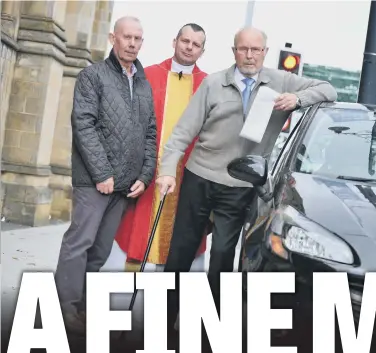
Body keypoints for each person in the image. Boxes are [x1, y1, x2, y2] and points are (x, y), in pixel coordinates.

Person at [155, 26, 337, 338]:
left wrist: (297, 98)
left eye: (256, 50)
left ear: (265, 52)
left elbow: (329, 90)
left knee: (224, 254)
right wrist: (168, 172)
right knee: (181, 250)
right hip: (201, 176)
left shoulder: (281, 81)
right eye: (243, 49)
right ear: (234, 51)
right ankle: (163, 319)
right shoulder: (214, 84)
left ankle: (205, 325)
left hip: (240, 184)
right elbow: (180, 135)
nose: (249, 55)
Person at [54, 16, 156, 334]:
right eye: (127, 37)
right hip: (94, 181)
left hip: (124, 185)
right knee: (79, 243)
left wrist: (145, 174)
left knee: (100, 250)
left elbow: (150, 132)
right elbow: (84, 124)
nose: (132, 43)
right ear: (113, 38)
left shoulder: (142, 83)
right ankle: (63, 308)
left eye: (138, 39)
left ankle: (82, 307)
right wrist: (101, 172)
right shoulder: (92, 75)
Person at [113, 23, 211, 273]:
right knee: (138, 233)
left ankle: (167, 299)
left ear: (202, 50)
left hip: (188, 173)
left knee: (180, 237)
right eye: (185, 41)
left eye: (196, 44)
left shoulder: (209, 85)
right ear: (174, 41)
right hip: (148, 169)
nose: (189, 48)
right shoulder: (148, 75)